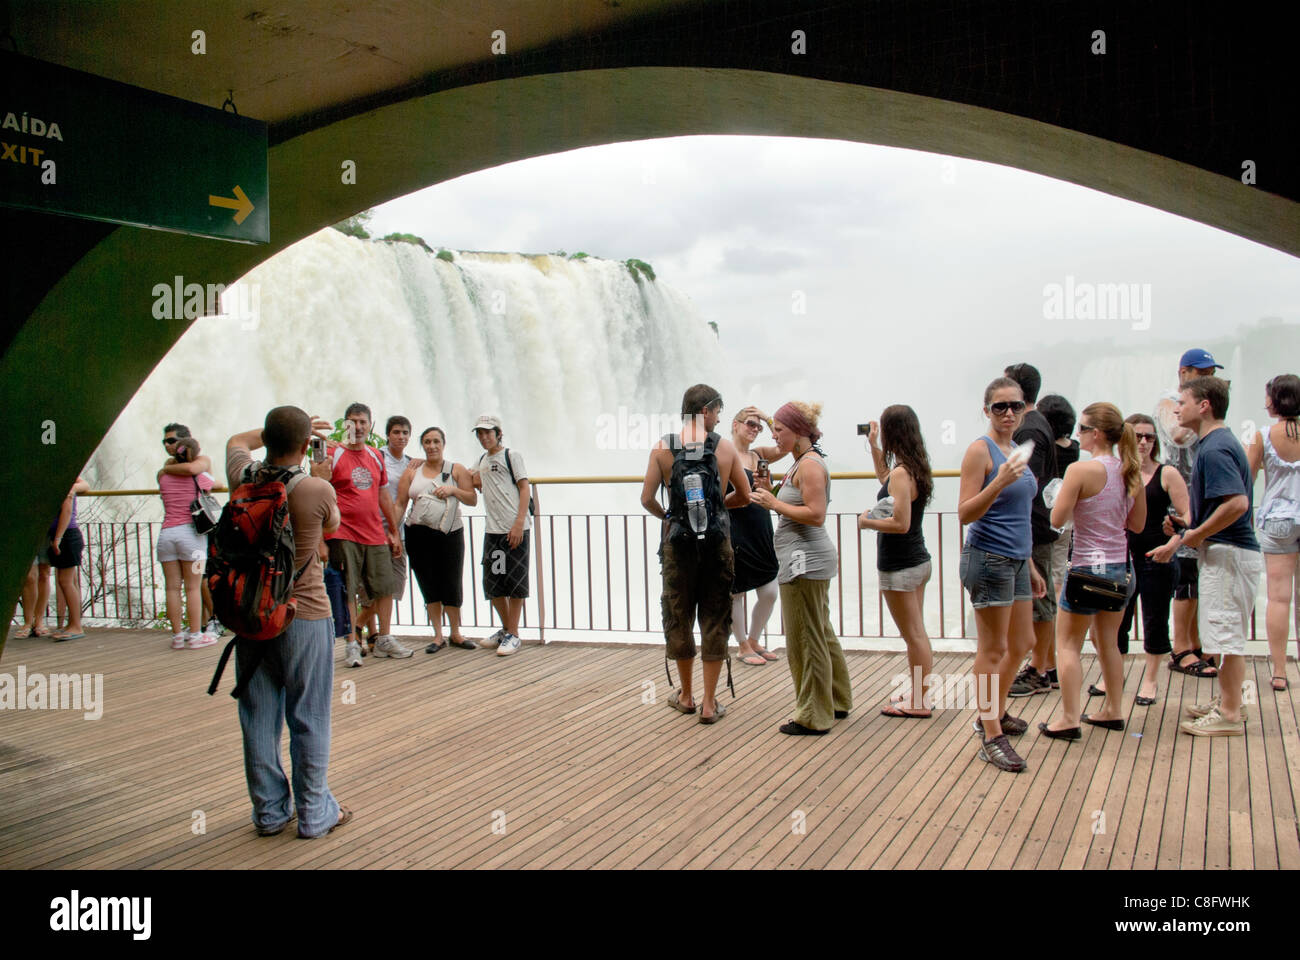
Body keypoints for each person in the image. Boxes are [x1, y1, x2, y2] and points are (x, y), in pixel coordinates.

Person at [225, 406, 350, 838]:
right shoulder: (316, 488)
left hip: (253, 615)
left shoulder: (243, 478)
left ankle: (270, 813)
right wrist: (318, 472)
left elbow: (235, 444)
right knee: (308, 715)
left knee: (258, 718)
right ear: (303, 446)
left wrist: (266, 437)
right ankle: (315, 813)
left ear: (265, 436)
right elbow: (332, 527)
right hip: (306, 615)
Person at [1151, 377, 1261, 737]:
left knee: (1227, 637)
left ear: (1205, 405)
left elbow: (1237, 503)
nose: (1176, 408)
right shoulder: (1218, 444)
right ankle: (1229, 701)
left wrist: (1195, 534)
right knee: (1225, 635)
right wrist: (1187, 527)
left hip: (1228, 555)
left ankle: (1229, 714)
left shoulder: (1213, 449)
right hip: (1229, 552)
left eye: (1182, 401)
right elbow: (1227, 504)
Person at [640, 385, 750, 724]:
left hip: (679, 545)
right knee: (715, 616)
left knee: (679, 615)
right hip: (716, 544)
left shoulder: (662, 448)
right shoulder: (725, 448)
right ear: (705, 410)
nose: (719, 417)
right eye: (718, 410)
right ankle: (709, 702)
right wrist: (717, 507)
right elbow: (744, 496)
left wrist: (671, 517)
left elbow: (646, 499)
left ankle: (685, 696)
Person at [1039, 403, 1145, 740]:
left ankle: (1069, 718)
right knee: (1109, 642)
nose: (1077, 434)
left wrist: (1059, 499)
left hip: (1086, 566)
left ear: (1096, 434)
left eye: (1082, 429)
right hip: (1118, 566)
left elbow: (1057, 520)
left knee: (1068, 644)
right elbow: (1138, 525)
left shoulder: (1080, 472)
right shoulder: (1131, 471)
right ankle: (1114, 709)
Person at [957, 377, 1046, 772]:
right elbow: (965, 513)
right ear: (987, 410)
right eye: (1000, 407)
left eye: (1016, 405)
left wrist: (1030, 564)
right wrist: (999, 482)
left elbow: (1021, 514)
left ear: (1026, 407)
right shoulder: (982, 451)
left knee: (1024, 640)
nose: (1009, 413)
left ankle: (992, 710)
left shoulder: (1015, 450)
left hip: (1016, 561)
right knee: (992, 650)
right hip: (988, 557)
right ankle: (991, 733)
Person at [750, 400, 853, 735]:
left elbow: (816, 513)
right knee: (821, 631)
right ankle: (836, 700)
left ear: (798, 431)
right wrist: (772, 493)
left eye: (779, 430)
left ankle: (812, 714)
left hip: (803, 561)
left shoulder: (808, 466)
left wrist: (774, 502)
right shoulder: (801, 462)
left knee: (804, 638)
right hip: (806, 558)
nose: (775, 436)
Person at [1106, 414, 1188, 705]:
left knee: (1155, 619)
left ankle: (1151, 680)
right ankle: (1113, 676)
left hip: (1157, 557)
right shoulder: (1116, 472)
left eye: (1149, 437)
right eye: (1137, 436)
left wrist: (1172, 545)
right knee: (1117, 622)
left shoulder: (1167, 474)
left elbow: (1189, 518)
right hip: (1121, 557)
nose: (1143, 442)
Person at [859, 405, 934, 717]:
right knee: (918, 632)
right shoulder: (913, 467)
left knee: (914, 636)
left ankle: (919, 700)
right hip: (918, 560)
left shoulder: (903, 473)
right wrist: (874, 446)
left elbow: (900, 523)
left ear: (893, 433)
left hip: (900, 565)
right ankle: (919, 694)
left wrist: (866, 521)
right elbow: (885, 480)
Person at [327, 402, 410, 667]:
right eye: (353, 422)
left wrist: (394, 532)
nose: (358, 427)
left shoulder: (375, 455)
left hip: (375, 531)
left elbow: (384, 494)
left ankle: (384, 638)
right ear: (345, 424)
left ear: (370, 425)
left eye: (363, 422)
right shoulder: (333, 454)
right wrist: (321, 539)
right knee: (348, 590)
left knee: (384, 588)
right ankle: (352, 643)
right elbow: (320, 493)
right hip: (344, 533)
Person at [1157, 349, 1224, 678]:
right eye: (1203, 372)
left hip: (1201, 501)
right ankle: (1181, 648)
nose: (1209, 377)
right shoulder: (1171, 402)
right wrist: (1206, 415)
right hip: (1180, 503)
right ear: (1185, 372)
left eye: (1212, 372)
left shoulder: (1198, 405)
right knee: (1184, 577)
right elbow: (1178, 435)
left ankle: (1195, 643)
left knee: (1197, 577)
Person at [1001, 364, 1060, 700]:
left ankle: (1038, 669)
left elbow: (1027, 486)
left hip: (1033, 527)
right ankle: (1046, 666)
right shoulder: (1037, 426)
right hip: (1037, 525)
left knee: (1039, 598)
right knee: (1040, 596)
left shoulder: (1030, 432)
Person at [398, 427, 478, 652]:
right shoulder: (413, 471)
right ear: (422, 445)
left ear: (443, 444)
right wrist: (393, 532)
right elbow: (400, 504)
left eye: (436, 441)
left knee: (452, 582)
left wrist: (453, 490)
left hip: (450, 533)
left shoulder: (457, 469)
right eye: (427, 442)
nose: (431, 446)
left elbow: (472, 499)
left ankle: (456, 633)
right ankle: (437, 636)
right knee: (428, 583)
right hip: (418, 533)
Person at [1247, 373, 1300, 691]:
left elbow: (1247, 482)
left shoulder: (1263, 436)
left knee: (1279, 599)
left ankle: (1279, 671)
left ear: (1275, 400)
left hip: (1278, 521)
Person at [726, 405, 784, 666]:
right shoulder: (724, 453)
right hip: (735, 524)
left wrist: (767, 417)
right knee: (736, 590)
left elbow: (784, 447)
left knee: (770, 589)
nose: (755, 429)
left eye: (758, 427)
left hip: (761, 524)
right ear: (735, 424)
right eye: (750, 423)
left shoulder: (758, 454)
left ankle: (754, 639)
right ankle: (741, 644)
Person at [471, 414, 532, 656]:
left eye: (488, 432)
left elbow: (524, 487)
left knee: (515, 582)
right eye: (480, 433)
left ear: (498, 433)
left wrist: (518, 523)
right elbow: (466, 474)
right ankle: (507, 630)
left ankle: (513, 634)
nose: (484, 437)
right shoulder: (481, 460)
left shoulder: (512, 456)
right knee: (495, 583)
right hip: (493, 531)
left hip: (514, 529)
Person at [156, 433, 219, 649]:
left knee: (171, 588)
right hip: (192, 537)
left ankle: (176, 637)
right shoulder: (198, 477)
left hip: (166, 536)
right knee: (192, 588)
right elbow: (213, 483)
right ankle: (195, 636)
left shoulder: (162, 476)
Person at [358, 416, 416, 644]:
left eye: (404, 433)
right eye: (396, 432)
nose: (401, 437)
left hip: (397, 533)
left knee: (391, 587)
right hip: (373, 531)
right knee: (370, 587)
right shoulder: (376, 456)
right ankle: (375, 635)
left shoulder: (411, 463)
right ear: (387, 435)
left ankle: (360, 626)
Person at [17, 477, 90, 640]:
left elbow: (66, 511)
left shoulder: (65, 485)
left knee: (66, 581)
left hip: (65, 536)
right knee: (67, 581)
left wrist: (57, 539)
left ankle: (75, 626)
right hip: (60, 535)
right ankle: (72, 624)